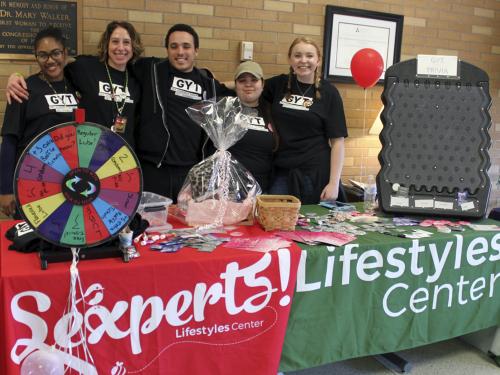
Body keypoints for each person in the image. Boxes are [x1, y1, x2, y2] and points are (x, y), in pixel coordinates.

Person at [133, 24, 233, 202]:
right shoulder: (150, 70)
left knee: (188, 227)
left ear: (196, 51)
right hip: (155, 171)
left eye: (186, 46)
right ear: (167, 50)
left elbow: (238, 90)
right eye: (174, 46)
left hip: (191, 173)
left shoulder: (208, 84)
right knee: (153, 226)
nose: (180, 52)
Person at [6, 21, 143, 148]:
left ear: (133, 46)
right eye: (114, 41)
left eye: (126, 42)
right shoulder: (86, 67)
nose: (120, 47)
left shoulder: (137, 77)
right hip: (89, 152)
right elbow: (54, 65)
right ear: (107, 44)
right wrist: (16, 76)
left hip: (123, 155)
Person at [0, 27, 78, 217]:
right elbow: (9, 141)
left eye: (56, 53)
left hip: (71, 181)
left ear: (65, 53)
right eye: (43, 55)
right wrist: (4, 189)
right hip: (32, 181)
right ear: (36, 57)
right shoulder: (23, 89)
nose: (50, 60)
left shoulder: (77, 85)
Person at [263, 37, 347, 204]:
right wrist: (212, 84)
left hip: (317, 173)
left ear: (318, 60)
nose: (303, 61)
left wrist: (333, 183)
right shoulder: (277, 85)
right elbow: (249, 87)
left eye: (309, 56)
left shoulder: (329, 93)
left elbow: (338, 142)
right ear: (290, 59)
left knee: (316, 227)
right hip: (283, 171)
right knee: (275, 220)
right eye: (298, 55)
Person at [229, 61, 275, 192]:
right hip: (229, 189)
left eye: (254, 80)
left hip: (262, 190)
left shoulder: (271, 111)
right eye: (242, 80)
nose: (248, 84)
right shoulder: (226, 109)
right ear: (235, 85)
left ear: (262, 84)